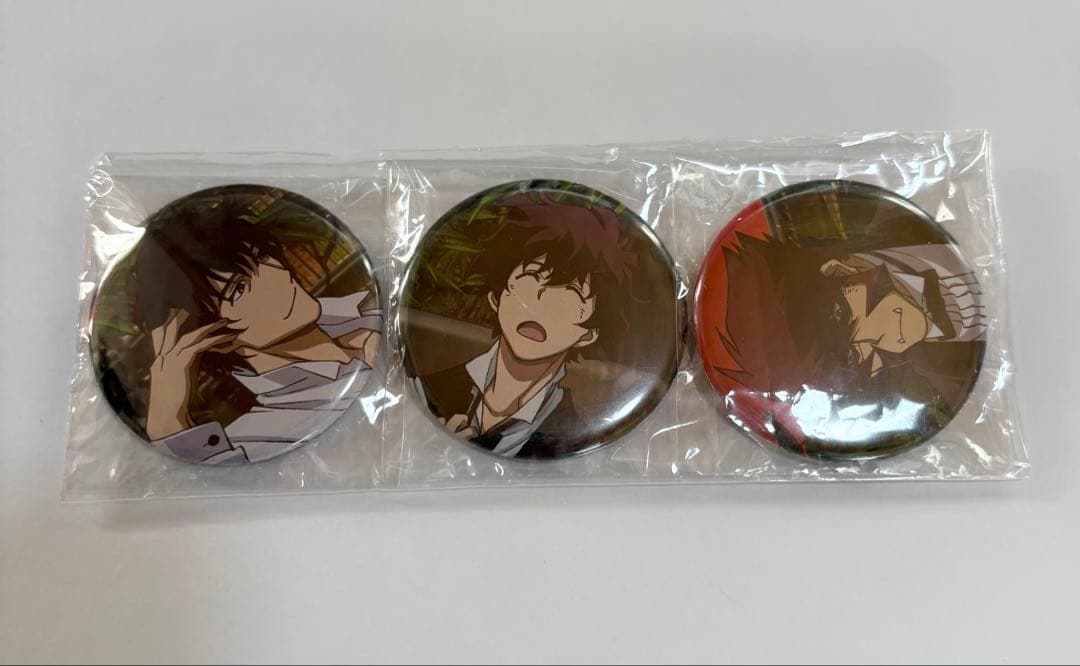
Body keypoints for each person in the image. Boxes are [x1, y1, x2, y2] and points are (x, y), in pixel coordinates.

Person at [130, 200, 381, 464]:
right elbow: (198, 477)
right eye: (238, 290)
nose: (278, 276)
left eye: (261, 258)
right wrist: (168, 420)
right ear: (208, 337)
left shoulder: (369, 309)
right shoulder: (264, 434)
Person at [415, 193, 639, 459]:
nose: (539, 308)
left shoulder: (568, 431)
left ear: (588, 334)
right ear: (496, 297)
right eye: (530, 280)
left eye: (569, 298)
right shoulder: (427, 387)